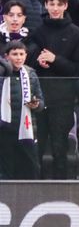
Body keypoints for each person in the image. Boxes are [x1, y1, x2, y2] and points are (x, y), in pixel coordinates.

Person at [26, 0, 79, 179]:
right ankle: (34, 190)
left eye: (59, 4)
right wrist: (38, 61)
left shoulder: (76, 33)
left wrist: (54, 59)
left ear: (66, 5)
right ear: (46, 5)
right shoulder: (37, 32)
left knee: (60, 150)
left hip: (63, 101)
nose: (55, 8)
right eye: (52, 4)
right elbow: (28, 62)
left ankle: (61, 190)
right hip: (39, 100)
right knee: (36, 149)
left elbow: (77, 69)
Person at [0, 40, 44, 179]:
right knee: (7, 170)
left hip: (26, 129)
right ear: (6, 56)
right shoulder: (1, 74)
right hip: (4, 129)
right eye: (14, 54)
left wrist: (36, 105)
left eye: (21, 54)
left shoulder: (30, 74)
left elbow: (41, 101)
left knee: (30, 168)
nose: (18, 57)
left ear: (25, 56)